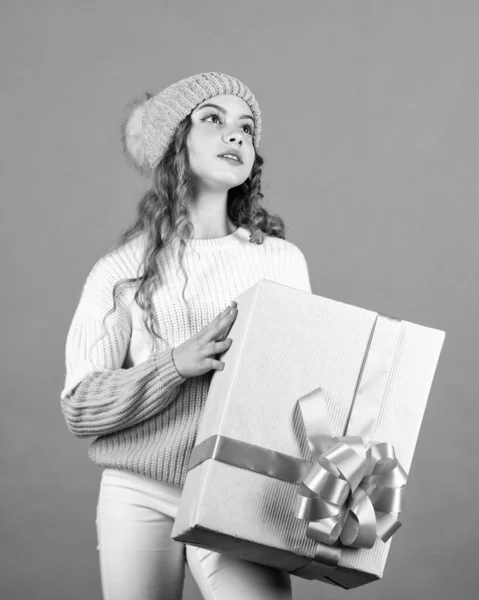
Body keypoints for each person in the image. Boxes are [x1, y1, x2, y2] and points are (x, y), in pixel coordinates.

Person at [60, 71, 312, 600]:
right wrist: (175, 364)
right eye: (213, 120)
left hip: (237, 491)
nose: (236, 135)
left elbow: (300, 392)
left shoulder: (282, 262)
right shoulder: (120, 271)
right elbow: (80, 406)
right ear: (177, 141)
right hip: (138, 490)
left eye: (246, 127)